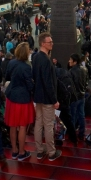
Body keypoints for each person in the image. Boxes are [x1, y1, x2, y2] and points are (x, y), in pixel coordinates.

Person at [31, 32, 61, 161]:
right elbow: (48, 82)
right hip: (47, 98)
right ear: (43, 43)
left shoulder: (36, 57)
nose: (52, 44)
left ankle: (39, 150)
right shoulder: (45, 60)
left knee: (38, 123)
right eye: (50, 42)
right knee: (48, 125)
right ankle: (51, 152)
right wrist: (54, 99)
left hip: (38, 96)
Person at [4, 42, 34, 161]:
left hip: (11, 97)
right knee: (22, 126)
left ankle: (14, 151)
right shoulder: (26, 67)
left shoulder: (11, 63)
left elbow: (7, 77)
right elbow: (29, 85)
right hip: (23, 99)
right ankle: (22, 152)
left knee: (12, 125)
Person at [68, 54, 87, 142]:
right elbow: (86, 82)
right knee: (81, 115)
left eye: (70, 59)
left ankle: (72, 134)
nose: (69, 61)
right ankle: (81, 133)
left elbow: (70, 85)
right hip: (82, 95)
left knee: (73, 116)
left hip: (74, 97)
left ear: (75, 61)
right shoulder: (84, 69)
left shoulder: (71, 71)